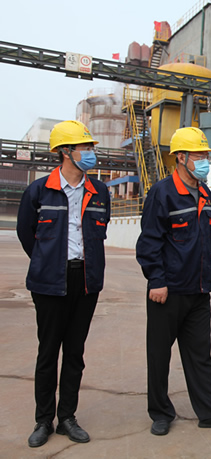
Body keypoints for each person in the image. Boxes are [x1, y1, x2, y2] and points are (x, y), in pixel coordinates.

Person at [136, 127, 211, 436]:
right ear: (181, 157)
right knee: (159, 355)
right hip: (168, 290)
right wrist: (156, 280)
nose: (206, 161)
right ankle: (160, 413)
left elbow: (210, 231)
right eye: (199, 155)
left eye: (207, 155)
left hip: (199, 289)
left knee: (200, 355)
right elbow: (149, 242)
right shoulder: (162, 193)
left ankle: (209, 413)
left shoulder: (206, 193)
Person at [17, 120, 110, 447]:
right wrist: (46, 261)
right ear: (66, 152)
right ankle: (44, 420)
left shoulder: (99, 191)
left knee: (75, 352)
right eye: (86, 147)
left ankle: (67, 417)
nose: (92, 152)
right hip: (48, 282)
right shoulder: (38, 190)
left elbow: (100, 232)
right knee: (48, 352)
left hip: (85, 280)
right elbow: (26, 233)